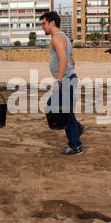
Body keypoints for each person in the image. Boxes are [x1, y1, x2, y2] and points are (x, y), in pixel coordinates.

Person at [40, 11, 86, 155]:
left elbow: (65, 60)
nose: (42, 27)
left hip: (64, 80)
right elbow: (72, 60)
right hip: (68, 78)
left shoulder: (57, 38)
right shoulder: (63, 36)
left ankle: (75, 146)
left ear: (52, 22)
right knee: (57, 107)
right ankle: (77, 128)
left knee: (62, 111)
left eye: (43, 23)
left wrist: (59, 80)